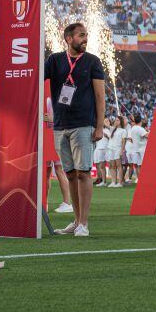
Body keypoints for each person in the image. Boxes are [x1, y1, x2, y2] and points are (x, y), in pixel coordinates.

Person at [46, 22, 106, 238]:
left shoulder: (92, 61)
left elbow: (100, 96)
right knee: (70, 174)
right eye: (81, 35)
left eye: (86, 35)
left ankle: (84, 223)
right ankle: (76, 220)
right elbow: (34, 76)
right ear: (69, 39)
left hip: (83, 124)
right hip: (60, 125)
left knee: (82, 173)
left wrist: (99, 126)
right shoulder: (54, 60)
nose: (85, 39)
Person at [127, 114, 149, 184]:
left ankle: (139, 179)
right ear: (141, 121)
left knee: (139, 166)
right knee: (143, 166)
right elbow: (148, 136)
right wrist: (149, 131)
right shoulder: (140, 129)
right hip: (142, 149)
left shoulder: (133, 128)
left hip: (136, 149)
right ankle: (143, 179)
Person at [109, 115, 128, 187]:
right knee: (112, 165)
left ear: (120, 122)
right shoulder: (113, 129)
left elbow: (123, 142)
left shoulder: (123, 131)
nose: (116, 121)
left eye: (117, 120)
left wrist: (122, 150)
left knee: (119, 166)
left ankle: (120, 182)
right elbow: (106, 124)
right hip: (111, 149)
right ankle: (113, 182)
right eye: (115, 120)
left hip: (118, 149)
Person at [93, 116, 111, 187]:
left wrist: (107, 137)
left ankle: (107, 181)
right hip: (98, 148)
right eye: (105, 121)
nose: (106, 122)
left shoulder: (110, 130)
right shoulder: (99, 129)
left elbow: (112, 139)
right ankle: (101, 180)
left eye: (107, 121)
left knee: (107, 166)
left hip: (106, 149)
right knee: (99, 166)